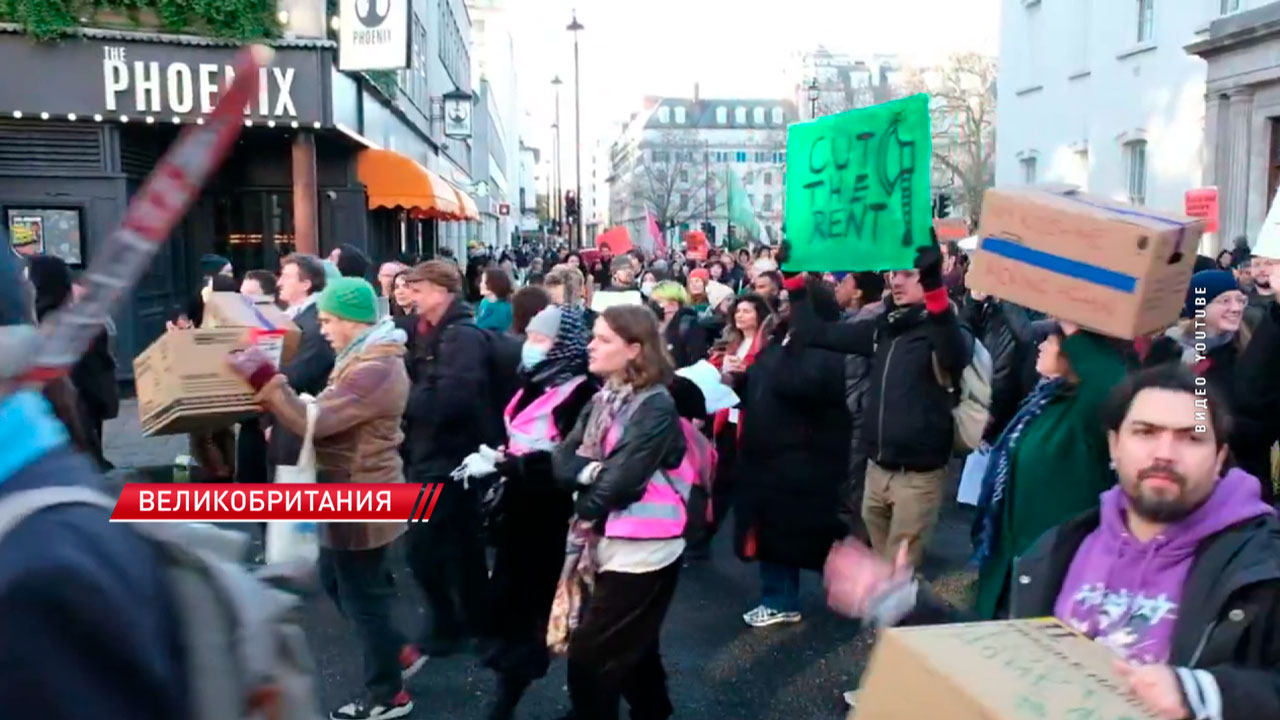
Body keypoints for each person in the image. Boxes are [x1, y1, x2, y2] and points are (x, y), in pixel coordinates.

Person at [826, 364, 1280, 720]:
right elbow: (1011, 658)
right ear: (1114, 445)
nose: (1165, 452)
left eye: (1191, 437)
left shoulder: (1263, 565)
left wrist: (1205, 695)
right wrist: (905, 605)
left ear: (1220, 457)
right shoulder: (1062, 548)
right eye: (1146, 432)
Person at [228, 277, 415, 720]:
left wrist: (265, 380)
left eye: (329, 320)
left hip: (361, 493)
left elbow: (315, 421)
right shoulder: (361, 356)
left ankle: (387, 695)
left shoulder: (375, 367)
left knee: (360, 593)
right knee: (341, 581)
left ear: (353, 320)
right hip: (350, 487)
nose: (324, 328)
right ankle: (394, 652)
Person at [787, 241, 971, 568]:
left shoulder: (943, 329)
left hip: (917, 478)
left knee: (898, 576)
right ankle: (883, 620)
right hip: (877, 471)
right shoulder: (884, 329)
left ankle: (897, 619)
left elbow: (953, 353)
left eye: (908, 274)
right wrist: (794, 284)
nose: (895, 281)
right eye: (893, 273)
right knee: (881, 571)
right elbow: (813, 333)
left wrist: (934, 288)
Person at [552, 305, 688, 720]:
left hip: (643, 546)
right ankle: (654, 711)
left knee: (591, 656)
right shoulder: (602, 398)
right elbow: (561, 461)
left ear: (634, 349)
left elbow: (622, 483)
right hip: (606, 540)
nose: (591, 345)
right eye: (594, 336)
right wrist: (592, 471)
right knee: (635, 644)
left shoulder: (656, 405)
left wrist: (586, 498)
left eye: (604, 339)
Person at [484, 305, 598, 720]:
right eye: (529, 336)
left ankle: (585, 704)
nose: (531, 346)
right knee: (520, 611)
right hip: (520, 514)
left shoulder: (585, 392)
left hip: (558, 517)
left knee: (570, 612)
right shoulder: (531, 382)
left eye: (541, 339)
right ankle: (506, 697)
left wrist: (520, 465)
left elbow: (577, 459)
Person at [971, 320, 1127, 619]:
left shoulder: (1087, 409)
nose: (1040, 346)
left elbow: (1109, 379)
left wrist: (1073, 328)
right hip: (1010, 558)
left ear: (1074, 354)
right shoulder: (1046, 401)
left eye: (1051, 342)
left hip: (1052, 565)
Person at [736, 278, 850, 627]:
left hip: (801, 457)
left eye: (792, 300)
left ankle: (783, 598)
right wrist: (743, 381)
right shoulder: (783, 340)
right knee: (776, 531)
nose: (783, 305)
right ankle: (781, 595)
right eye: (784, 299)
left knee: (794, 533)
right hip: (771, 457)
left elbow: (808, 387)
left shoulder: (824, 345)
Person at [400, 260, 495, 655]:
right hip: (434, 454)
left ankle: (451, 623)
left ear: (441, 291)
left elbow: (453, 398)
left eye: (416, 289)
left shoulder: (460, 337)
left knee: (424, 545)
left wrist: (404, 400)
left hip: (446, 457)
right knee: (458, 541)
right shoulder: (428, 333)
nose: (408, 296)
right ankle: (470, 621)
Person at [1142, 268, 1280, 497]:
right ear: (1200, 307)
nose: (1236, 308)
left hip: (1240, 479)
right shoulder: (1168, 350)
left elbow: (1261, 416)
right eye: (1224, 301)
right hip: (1177, 477)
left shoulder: (1247, 349)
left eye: (1239, 299)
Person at [686, 294, 774, 559]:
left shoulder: (769, 346)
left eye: (747, 311)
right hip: (727, 420)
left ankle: (750, 542)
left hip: (753, 422)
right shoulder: (731, 344)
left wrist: (745, 373)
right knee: (720, 480)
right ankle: (703, 537)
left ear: (760, 315)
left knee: (745, 483)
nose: (741, 315)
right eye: (738, 311)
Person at [270, 254, 337, 472]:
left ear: (306, 284)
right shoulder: (291, 318)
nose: (279, 282)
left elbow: (296, 376)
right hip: (287, 421)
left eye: (286, 277)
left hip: (301, 425)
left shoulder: (316, 323)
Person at [832, 271, 886, 541]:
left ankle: (861, 543)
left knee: (856, 482)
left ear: (857, 294)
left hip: (858, 416)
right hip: (864, 413)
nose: (837, 288)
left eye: (843, 284)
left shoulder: (863, 324)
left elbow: (851, 376)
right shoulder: (865, 319)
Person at [651, 281, 709, 369]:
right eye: (660, 302)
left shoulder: (688, 325)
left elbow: (698, 361)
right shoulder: (651, 326)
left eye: (672, 302)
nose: (667, 307)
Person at [477, 268, 515, 332]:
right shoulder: (484, 302)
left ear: (494, 283)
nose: (480, 284)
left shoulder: (504, 309)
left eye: (483, 281)